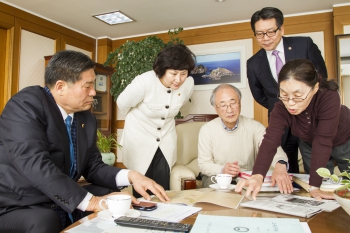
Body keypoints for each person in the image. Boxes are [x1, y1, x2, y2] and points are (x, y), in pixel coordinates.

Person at [0, 50, 169, 233]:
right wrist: (93, 202)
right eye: (87, 86)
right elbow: (35, 164)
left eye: (94, 85)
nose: (94, 92)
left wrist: (132, 176)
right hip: (20, 202)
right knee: (45, 220)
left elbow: (93, 166)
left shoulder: (85, 118)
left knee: (112, 196)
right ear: (60, 87)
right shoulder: (25, 105)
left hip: (59, 196)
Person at [236, 59, 350, 200]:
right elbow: (270, 141)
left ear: (315, 88)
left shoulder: (329, 97)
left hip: (345, 140)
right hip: (310, 143)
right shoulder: (280, 109)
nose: (290, 103)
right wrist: (257, 176)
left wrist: (314, 186)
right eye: (284, 95)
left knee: (347, 182)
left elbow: (323, 141)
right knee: (320, 188)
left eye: (297, 96)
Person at [247, 7, 328, 173]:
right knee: (286, 170)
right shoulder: (253, 63)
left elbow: (321, 78)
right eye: (259, 34)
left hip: (310, 118)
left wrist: (303, 103)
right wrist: (282, 105)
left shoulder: (304, 45)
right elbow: (260, 96)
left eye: (270, 32)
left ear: (281, 28)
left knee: (316, 166)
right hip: (281, 124)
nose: (265, 38)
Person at [117, 44, 195, 196]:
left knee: (162, 186)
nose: (178, 79)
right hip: (139, 139)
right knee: (142, 186)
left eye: (183, 73)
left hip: (166, 139)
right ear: (162, 69)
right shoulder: (144, 82)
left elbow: (175, 106)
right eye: (173, 73)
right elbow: (122, 104)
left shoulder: (189, 84)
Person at [198, 84, 289, 188]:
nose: (229, 110)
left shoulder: (255, 127)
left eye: (233, 103)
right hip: (218, 178)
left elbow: (272, 147)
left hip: (246, 178)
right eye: (223, 105)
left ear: (240, 103)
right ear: (216, 108)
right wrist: (223, 169)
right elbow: (204, 164)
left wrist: (280, 165)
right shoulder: (207, 130)